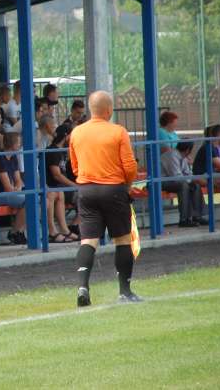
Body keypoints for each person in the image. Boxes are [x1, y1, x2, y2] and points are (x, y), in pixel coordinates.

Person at [70, 90, 140, 307]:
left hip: (86, 190)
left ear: (91, 110)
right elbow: (129, 166)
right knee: (122, 240)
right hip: (113, 190)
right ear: (109, 110)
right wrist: (127, 184)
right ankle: (125, 291)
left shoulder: (77, 132)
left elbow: (74, 166)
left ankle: (83, 286)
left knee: (88, 240)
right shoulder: (118, 132)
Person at [0, 132, 29, 244]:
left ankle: (20, 231)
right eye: (18, 143)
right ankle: (15, 232)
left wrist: (18, 188)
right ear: (12, 144)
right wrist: (15, 190)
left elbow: (18, 179)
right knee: (29, 200)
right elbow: (6, 186)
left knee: (40, 199)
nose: (20, 145)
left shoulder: (13, 157)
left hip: (10, 193)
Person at [45, 125, 79, 243]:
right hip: (54, 187)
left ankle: (67, 229)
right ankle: (54, 232)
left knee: (92, 195)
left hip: (61, 188)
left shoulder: (63, 150)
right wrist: (75, 186)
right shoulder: (53, 151)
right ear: (65, 135)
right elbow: (56, 175)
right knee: (56, 194)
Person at [162, 141, 207, 227]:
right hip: (163, 182)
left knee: (195, 185)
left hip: (176, 181)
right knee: (184, 185)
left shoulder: (183, 157)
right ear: (188, 150)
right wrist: (193, 179)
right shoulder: (172, 156)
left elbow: (188, 173)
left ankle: (197, 216)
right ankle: (184, 219)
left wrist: (195, 179)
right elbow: (176, 176)